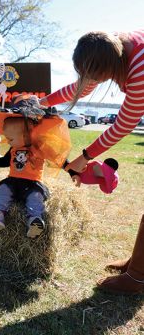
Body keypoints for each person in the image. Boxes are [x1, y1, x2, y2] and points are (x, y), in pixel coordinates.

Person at [40, 30, 144, 294]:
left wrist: (83, 157)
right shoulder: (112, 48)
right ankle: (138, 263)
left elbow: (122, 125)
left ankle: (138, 278)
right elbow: (80, 87)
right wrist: (43, 102)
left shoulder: (139, 70)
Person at [0, 94, 71, 239]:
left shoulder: (40, 147)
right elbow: (6, 161)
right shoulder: (14, 149)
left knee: (35, 198)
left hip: (33, 184)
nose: (8, 142)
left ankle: (34, 220)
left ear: (27, 134)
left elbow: (59, 159)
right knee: (2, 191)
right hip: (12, 181)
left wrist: (73, 172)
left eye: (10, 139)